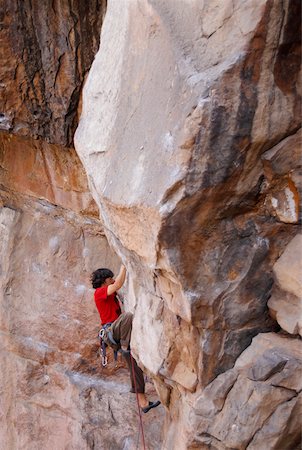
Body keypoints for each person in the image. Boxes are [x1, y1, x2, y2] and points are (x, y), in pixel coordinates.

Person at [91, 265, 160, 413]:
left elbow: (116, 286)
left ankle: (143, 402)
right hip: (111, 330)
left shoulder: (111, 295)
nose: (113, 280)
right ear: (104, 281)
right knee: (128, 316)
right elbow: (118, 284)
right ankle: (124, 346)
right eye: (110, 278)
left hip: (118, 330)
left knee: (134, 366)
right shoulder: (99, 293)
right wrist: (124, 266)